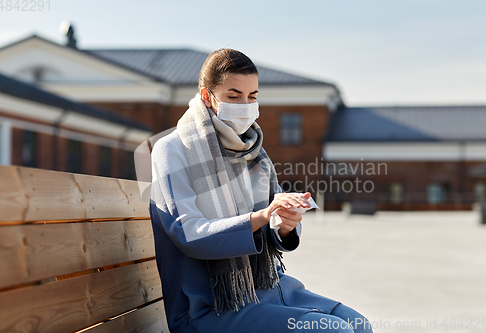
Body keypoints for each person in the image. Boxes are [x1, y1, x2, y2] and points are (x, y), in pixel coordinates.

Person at [149, 48, 373, 333]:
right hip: (210, 305)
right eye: (233, 96)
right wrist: (262, 216)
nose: (245, 105)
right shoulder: (173, 149)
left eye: (252, 96)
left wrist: (284, 223)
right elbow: (189, 233)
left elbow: (272, 223)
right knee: (333, 330)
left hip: (266, 288)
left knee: (358, 324)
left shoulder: (253, 151)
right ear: (207, 97)